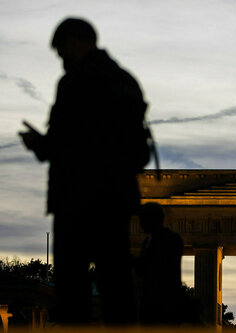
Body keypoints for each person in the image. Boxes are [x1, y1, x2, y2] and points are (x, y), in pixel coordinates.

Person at [18, 17, 149, 324]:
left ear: (75, 43)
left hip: (75, 200)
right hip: (114, 200)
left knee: (72, 292)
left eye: (61, 51)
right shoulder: (124, 79)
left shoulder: (74, 82)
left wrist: (38, 143)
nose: (61, 59)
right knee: (117, 286)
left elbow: (63, 144)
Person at [135, 202, 185, 324]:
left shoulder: (171, 240)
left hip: (164, 305)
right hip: (149, 305)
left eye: (143, 218)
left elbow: (157, 269)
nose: (140, 223)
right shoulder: (148, 240)